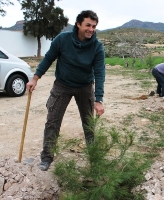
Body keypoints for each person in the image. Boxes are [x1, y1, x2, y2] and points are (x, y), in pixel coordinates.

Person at [26, 10, 105, 171]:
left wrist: (98, 99)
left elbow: (99, 72)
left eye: (94, 26)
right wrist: (35, 78)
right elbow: (48, 58)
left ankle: (93, 157)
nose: (91, 29)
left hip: (85, 87)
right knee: (52, 121)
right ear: (78, 24)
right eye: (88, 25)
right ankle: (47, 157)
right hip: (62, 85)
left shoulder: (97, 47)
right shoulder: (62, 39)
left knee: (88, 124)